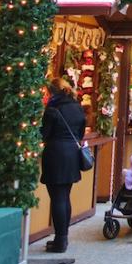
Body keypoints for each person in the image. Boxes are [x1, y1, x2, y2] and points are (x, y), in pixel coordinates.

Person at [40, 78, 86, 253]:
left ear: (52, 92)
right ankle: (63, 237)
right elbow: (81, 132)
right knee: (65, 196)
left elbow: (44, 134)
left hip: (56, 154)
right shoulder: (76, 106)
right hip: (72, 155)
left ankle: (60, 240)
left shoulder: (53, 108)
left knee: (57, 198)